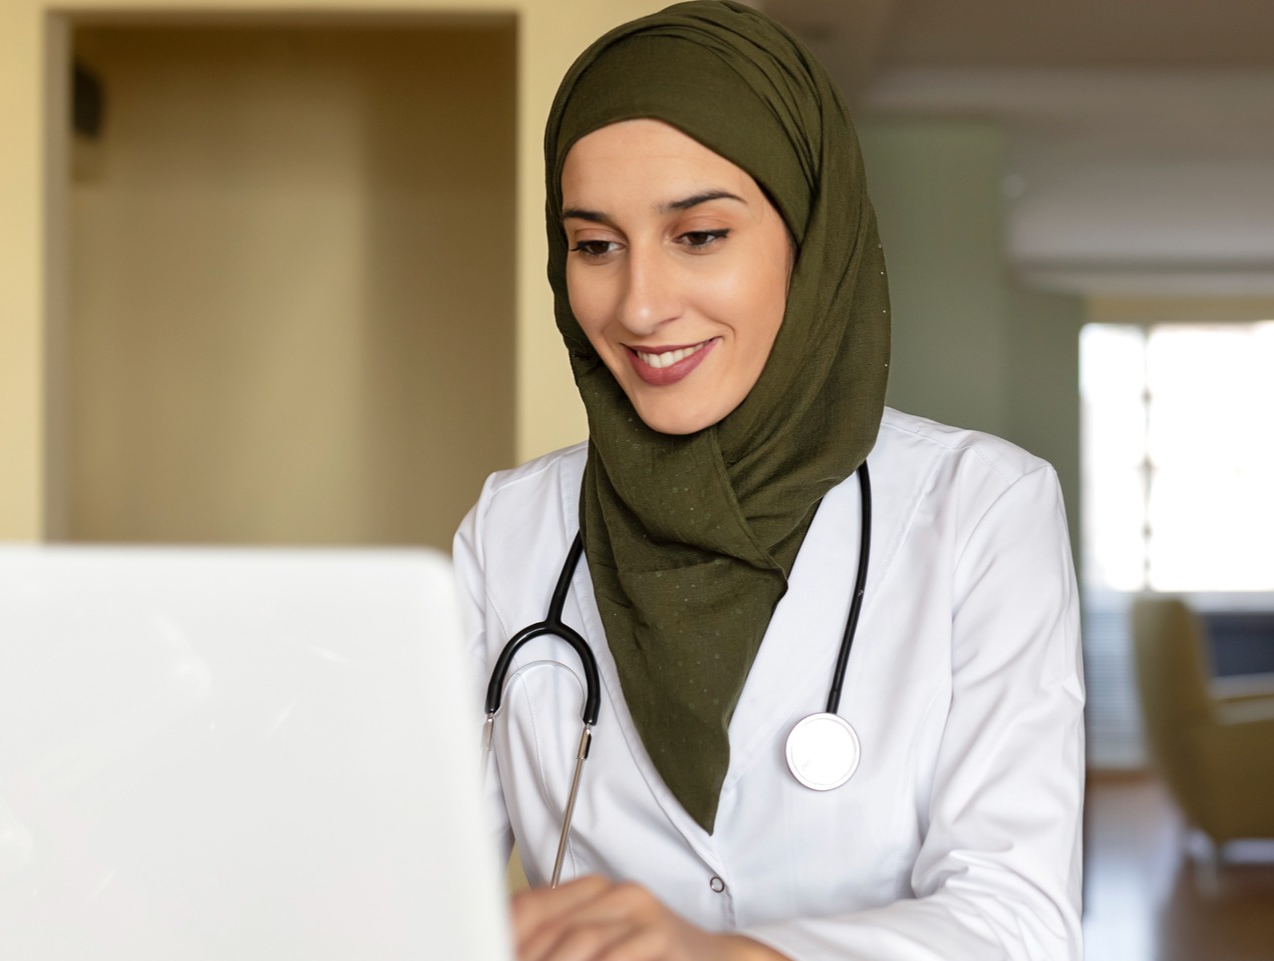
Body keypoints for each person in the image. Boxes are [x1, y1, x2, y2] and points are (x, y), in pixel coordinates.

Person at [452, 3, 1084, 959]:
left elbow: (1020, 921)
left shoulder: (979, 507)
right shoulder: (513, 528)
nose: (641, 304)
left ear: (810, 237)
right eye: (594, 245)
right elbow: (409, 870)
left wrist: (718, 955)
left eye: (699, 234)